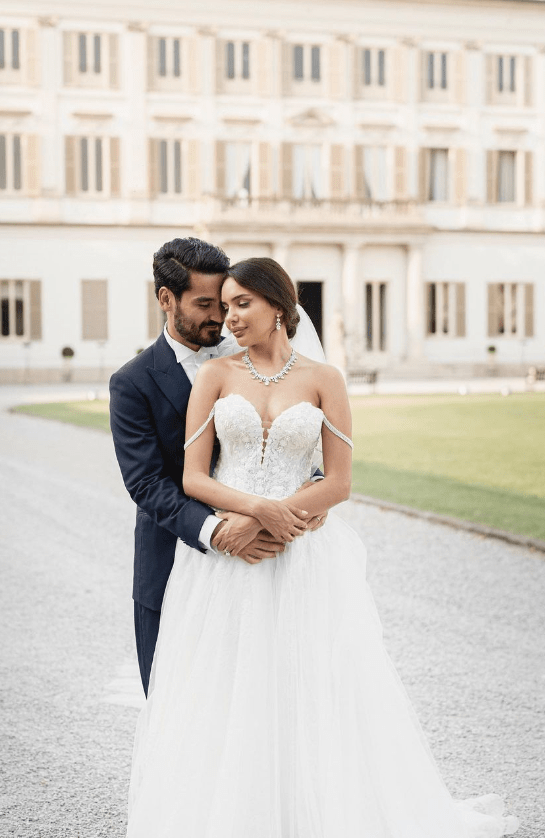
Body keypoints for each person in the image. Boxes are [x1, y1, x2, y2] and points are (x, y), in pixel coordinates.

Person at [125, 257, 519, 838]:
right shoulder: (214, 377)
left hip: (304, 555)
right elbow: (193, 479)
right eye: (224, 306)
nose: (230, 317)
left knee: (308, 684)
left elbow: (339, 483)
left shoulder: (324, 379)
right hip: (230, 554)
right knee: (225, 688)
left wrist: (289, 515)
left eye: (241, 304)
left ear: (278, 307)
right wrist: (258, 512)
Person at [109, 239, 325, 696]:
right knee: (176, 707)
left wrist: (310, 494)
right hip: (173, 562)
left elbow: (302, 438)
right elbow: (147, 483)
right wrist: (220, 532)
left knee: (273, 697)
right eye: (205, 304)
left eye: (225, 302)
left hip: (273, 559)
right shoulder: (132, 383)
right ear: (166, 299)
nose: (220, 317)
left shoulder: (258, 353)